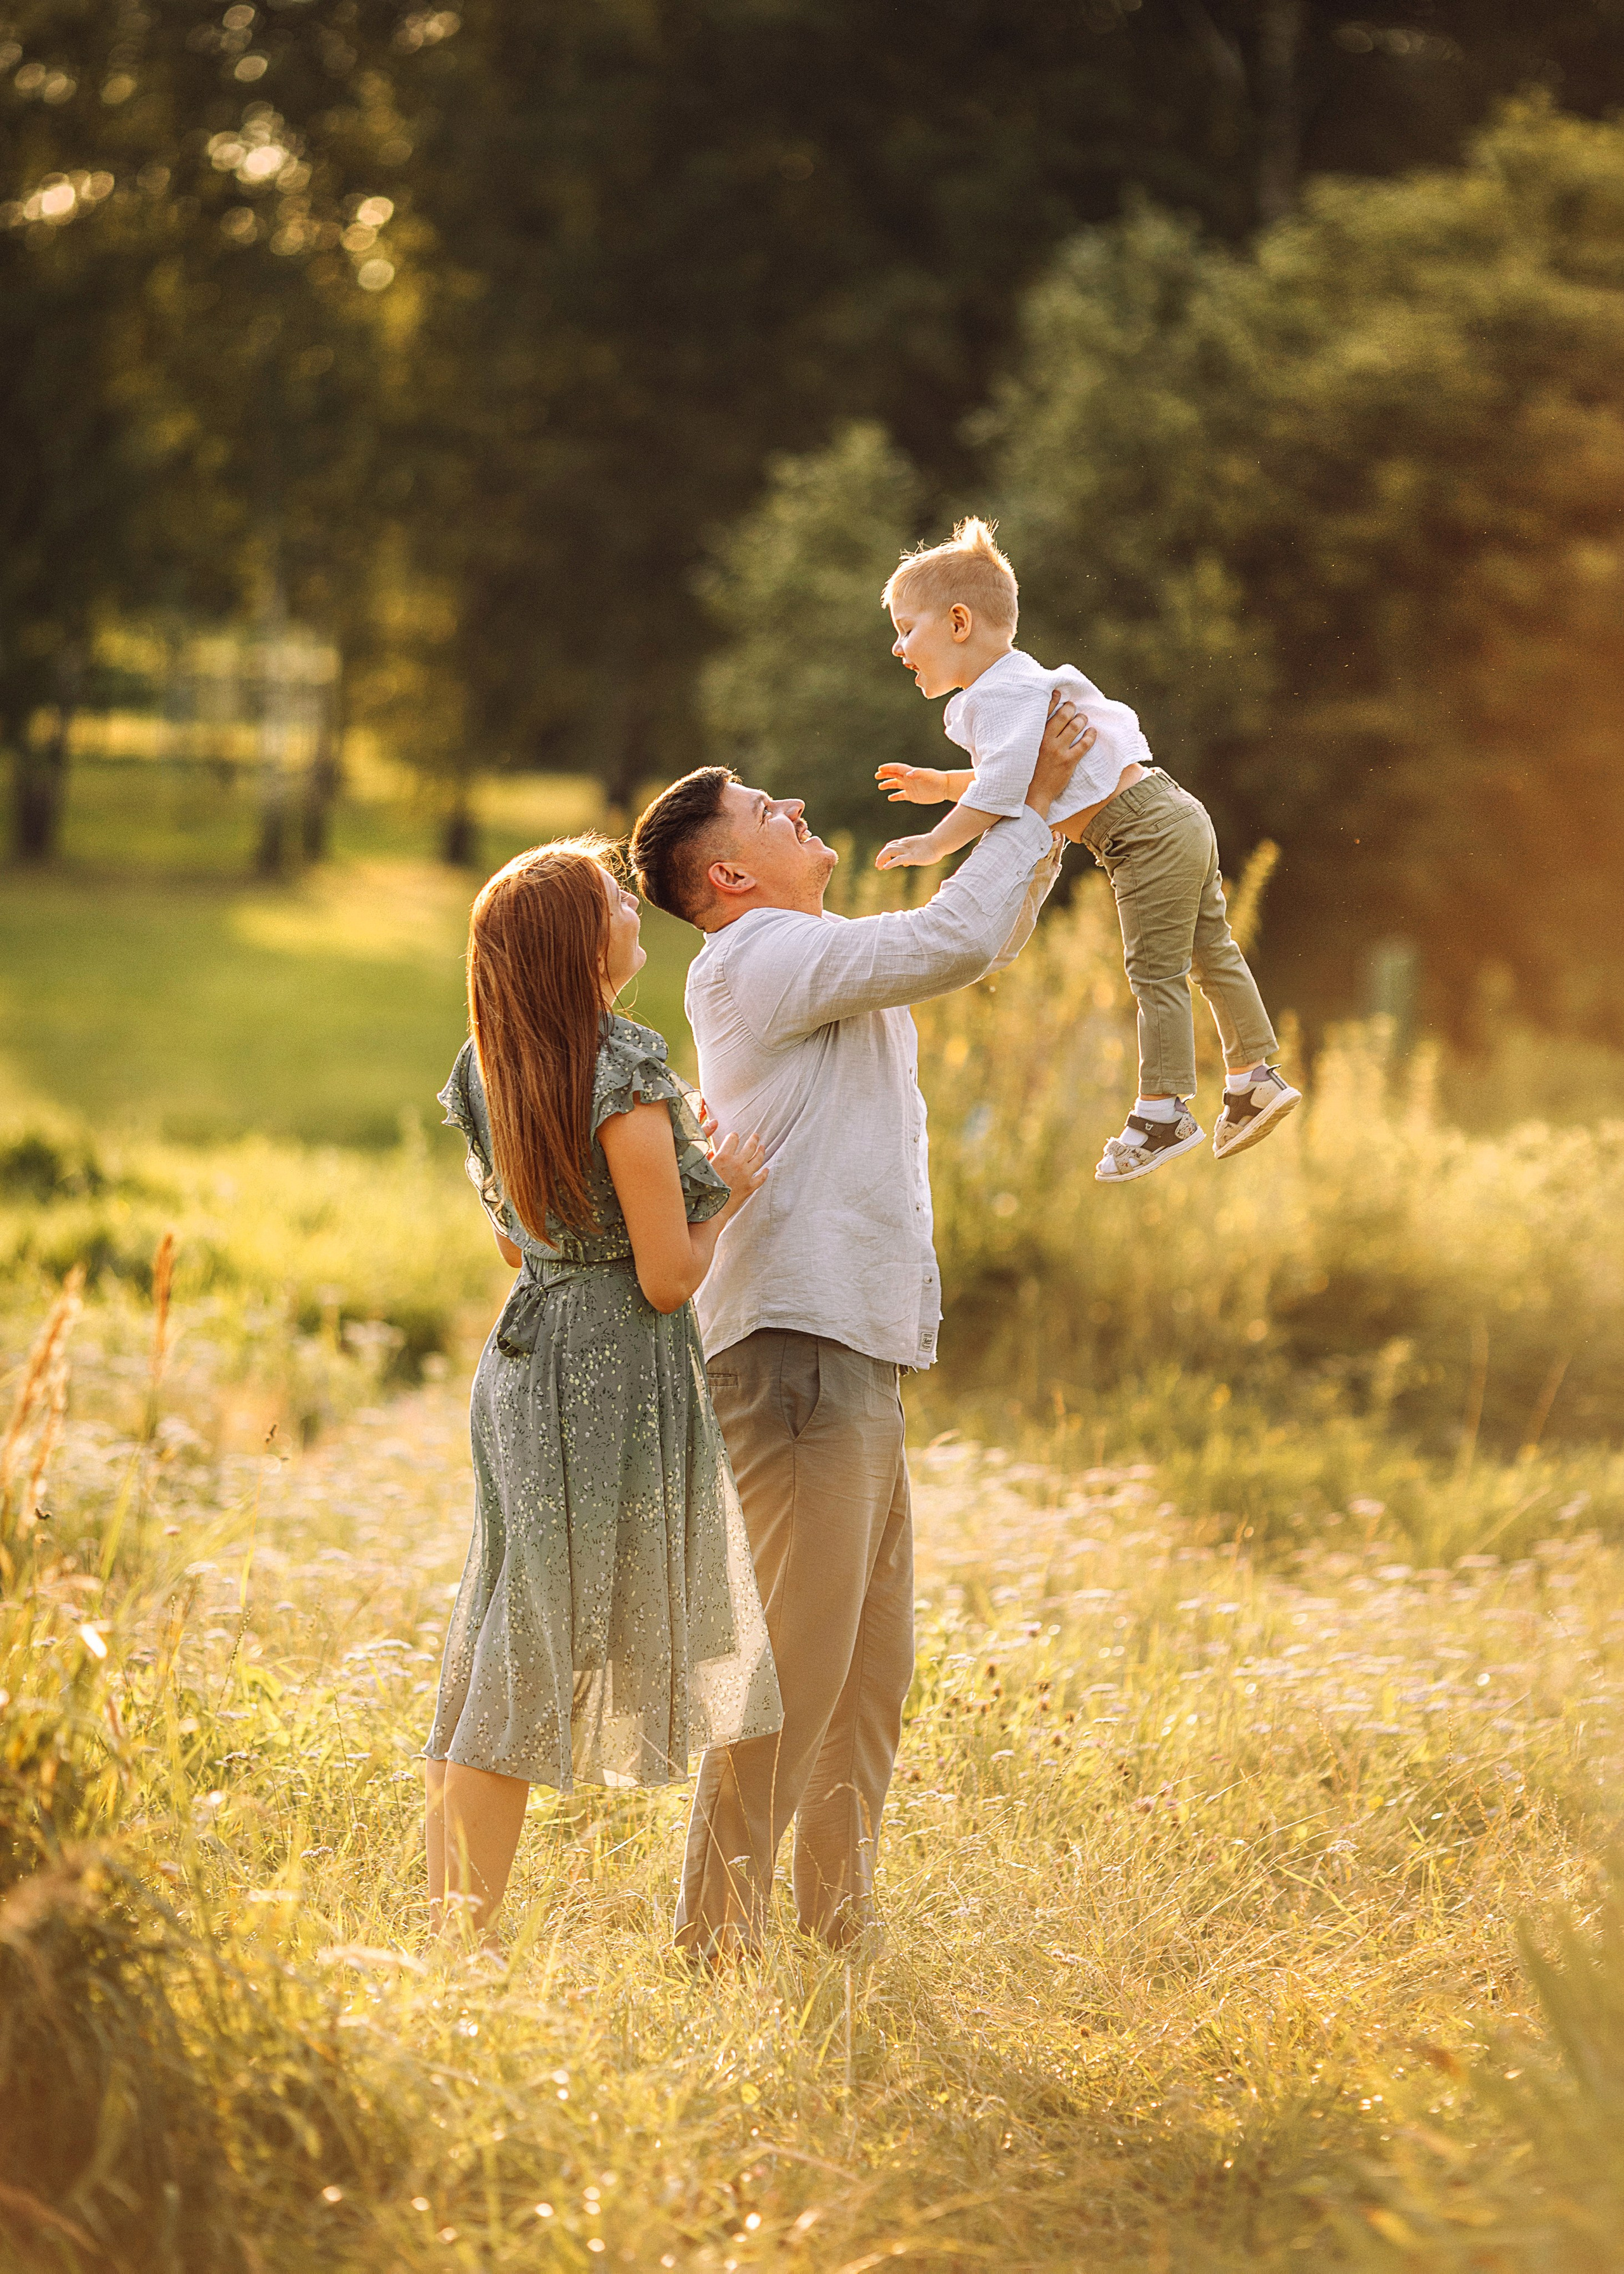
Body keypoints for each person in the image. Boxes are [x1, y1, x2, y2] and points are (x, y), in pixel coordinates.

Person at [628, 696, 1092, 1959]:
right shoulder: (755, 957)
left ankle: (837, 1930)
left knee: (864, 1677)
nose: (791, 806)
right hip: (793, 1353)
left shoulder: (811, 953)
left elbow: (962, 935)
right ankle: (713, 1943)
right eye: (762, 811)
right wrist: (1037, 802)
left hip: (857, 1353)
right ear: (727, 874)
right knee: (792, 1668)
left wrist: (1029, 809)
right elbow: (953, 937)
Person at [423, 838, 782, 1941]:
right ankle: (461, 1942)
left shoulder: (492, 1060)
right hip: (609, 1377)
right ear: (582, 946)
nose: (633, 907)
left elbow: (511, 1236)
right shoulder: (622, 1065)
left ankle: (453, 1927)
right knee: (527, 1653)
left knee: (505, 1632)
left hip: (526, 1357)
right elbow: (670, 1277)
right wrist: (726, 1191)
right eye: (614, 899)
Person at [874, 517, 1300, 1183]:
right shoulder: (1014, 686)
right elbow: (1016, 772)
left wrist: (937, 841)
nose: (899, 648)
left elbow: (1007, 788)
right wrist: (942, 784)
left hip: (1140, 832)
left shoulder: (997, 694)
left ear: (959, 622)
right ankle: (1253, 1079)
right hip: (1170, 810)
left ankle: (1162, 1110)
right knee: (1209, 951)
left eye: (906, 628)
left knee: (1152, 971)